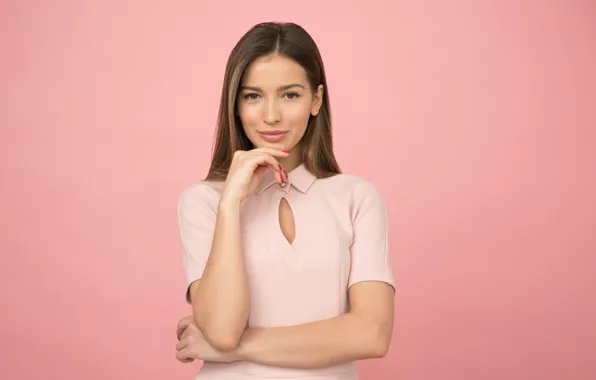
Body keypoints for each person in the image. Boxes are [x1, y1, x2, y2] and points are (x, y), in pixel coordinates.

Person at [174, 21, 395, 380]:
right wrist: (230, 204)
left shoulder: (357, 198)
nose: (271, 115)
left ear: (316, 100)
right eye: (253, 96)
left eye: (290, 94)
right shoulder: (203, 202)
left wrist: (235, 350)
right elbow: (222, 329)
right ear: (235, 105)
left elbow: (371, 335)